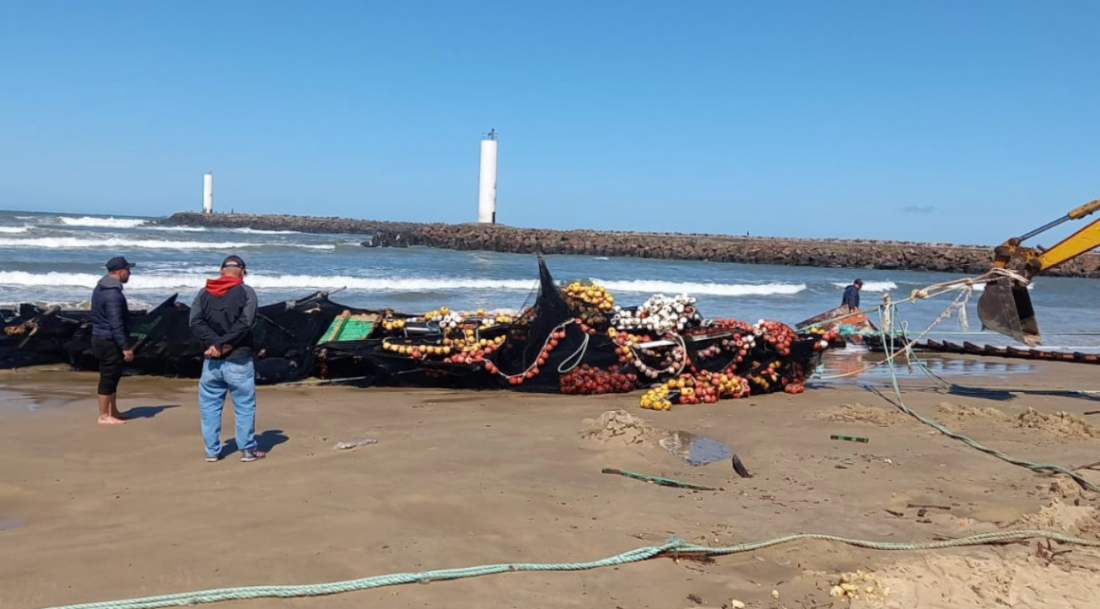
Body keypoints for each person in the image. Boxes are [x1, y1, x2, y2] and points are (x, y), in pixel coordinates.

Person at [189, 255, 263, 463]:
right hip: (238, 359)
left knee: (210, 406)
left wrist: (215, 343)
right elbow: (246, 322)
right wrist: (221, 343)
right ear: (242, 271)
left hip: (212, 359)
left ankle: (211, 450)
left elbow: (195, 322)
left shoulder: (204, 292)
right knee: (244, 405)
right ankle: (247, 449)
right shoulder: (246, 292)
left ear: (222, 271)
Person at [91, 256, 136, 425]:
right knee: (108, 377)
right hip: (108, 341)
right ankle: (103, 415)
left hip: (101, 338)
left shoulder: (102, 287)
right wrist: (125, 347)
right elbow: (115, 323)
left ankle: (113, 411)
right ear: (120, 272)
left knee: (114, 375)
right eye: (128, 270)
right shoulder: (113, 295)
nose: (130, 273)